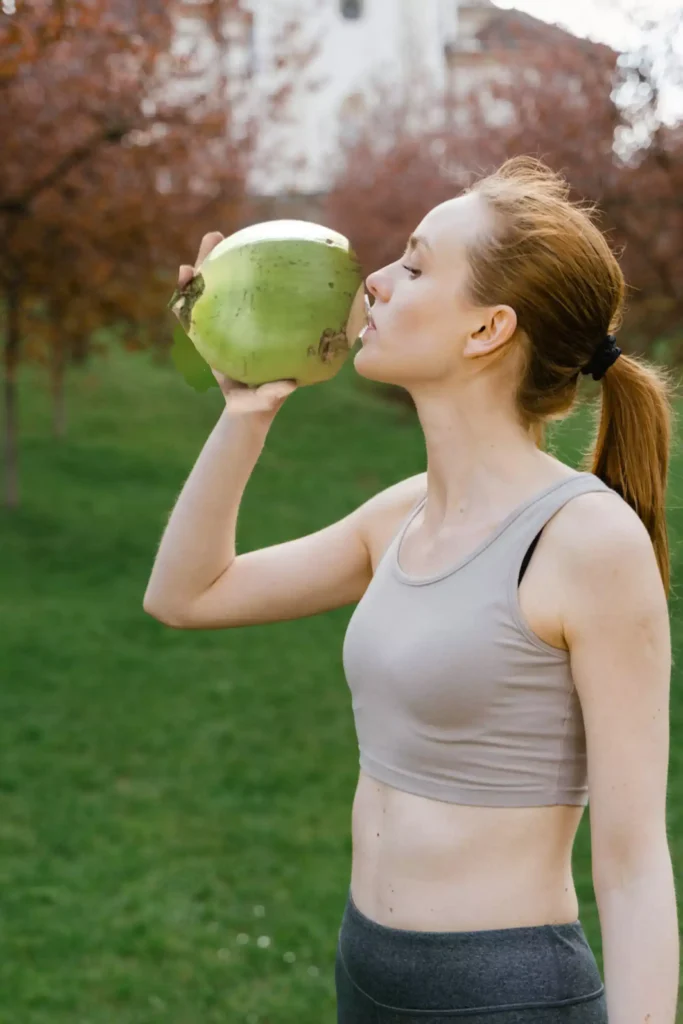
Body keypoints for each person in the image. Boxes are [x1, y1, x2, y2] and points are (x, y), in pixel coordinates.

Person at [143, 157, 679, 1024]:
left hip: (504, 996)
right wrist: (244, 410)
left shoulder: (585, 543)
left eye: (416, 265)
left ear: (487, 330)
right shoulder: (402, 512)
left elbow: (632, 862)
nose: (375, 285)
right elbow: (188, 595)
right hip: (366, 972)